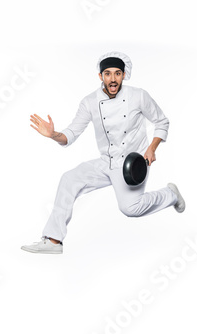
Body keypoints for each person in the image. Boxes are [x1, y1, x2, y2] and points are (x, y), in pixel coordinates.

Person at [21, 51, 185, 254]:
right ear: (101, 76)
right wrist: (54, 134)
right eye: (108, 73)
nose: (113, 78)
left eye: (117, 73)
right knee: (69, 179)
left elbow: (162, 121)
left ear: (124, 75)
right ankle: (54, 241)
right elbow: (71, 134)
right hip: (106, 162)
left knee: (129, 209)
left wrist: (151, 148)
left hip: (132, 165)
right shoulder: (90, 102)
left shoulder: (138, 96)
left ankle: (170, 194)